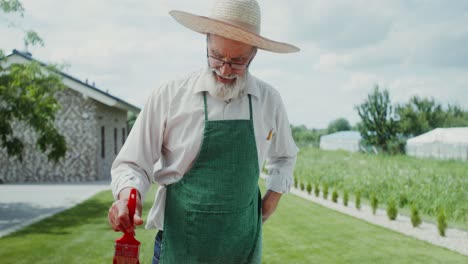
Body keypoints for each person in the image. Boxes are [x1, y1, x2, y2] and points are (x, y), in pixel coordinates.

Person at [108, 0, 299, 263]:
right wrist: (128, 196)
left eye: (238, 61)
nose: (224, 69)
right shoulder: (170, 95)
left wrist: (272, 197)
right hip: (179, 246)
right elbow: (132, 164)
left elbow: (286, 156)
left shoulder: (269, 101)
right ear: (206, 41)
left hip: (242, 250)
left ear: (254, 54)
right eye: (217, 56)